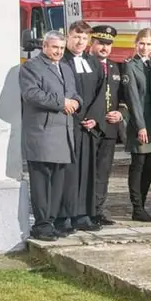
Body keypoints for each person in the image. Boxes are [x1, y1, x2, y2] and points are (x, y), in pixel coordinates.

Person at [21, 31, 82, 241]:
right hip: (42, 133)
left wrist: (76, 102)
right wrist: (61, 103)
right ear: (45, 46)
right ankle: (41, 224)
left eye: (61, 48)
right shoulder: (32, 67)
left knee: (57, 182)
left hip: (63, 133)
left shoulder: (65, 67)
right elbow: (31, 94)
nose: (58, 52)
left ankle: (52, 221)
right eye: (54, 47)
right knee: (41, 182)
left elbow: (73, 93)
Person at [60, 21, 104, 233]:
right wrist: (77, 116)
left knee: (87, 170)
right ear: (68, 37)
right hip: (69, 124)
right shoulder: (62, 60)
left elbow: (101, 92)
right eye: (76, 37)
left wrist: (94, 117)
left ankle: (83, 214)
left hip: (89, 126)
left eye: (84, 38)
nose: (80, 42)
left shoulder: (93, 62)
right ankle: (65, 215)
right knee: (69, 172)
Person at [89, 25, 125, 226]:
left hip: (110, 129)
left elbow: (123, 97)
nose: (104, 48)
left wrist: (120, 113)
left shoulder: (115, 67)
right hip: (90, 128)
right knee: (88, 172)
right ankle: (84, 210)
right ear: (92, 43)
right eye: (101, 43)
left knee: (103, 173)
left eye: (108, 44)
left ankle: (97, 210)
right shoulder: (85, 64)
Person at [123, 29, 151, 222]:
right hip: (140, 123)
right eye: (142, 43)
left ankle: (142, 205)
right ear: (136, 44)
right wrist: (140, 126)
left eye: (149, 44)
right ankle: (137, 207)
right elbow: (134, 99)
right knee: (139, 164)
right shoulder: (131, 66)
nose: (145, 48)